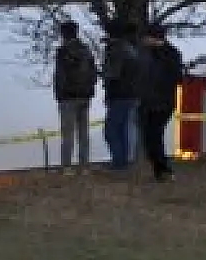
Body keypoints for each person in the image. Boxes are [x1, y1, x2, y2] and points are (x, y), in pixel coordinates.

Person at [137, 24, 185, 182]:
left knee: (153, 136)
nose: (143, 40)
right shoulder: (169, 53)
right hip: (156, 101)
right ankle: (160, 169)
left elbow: (172, 78)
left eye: (146, 37)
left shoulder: (163, 55)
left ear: (153, 37)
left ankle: (162, 169)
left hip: (160, 102)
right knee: (151, 136)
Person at [52, 20, 97, 174]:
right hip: (85, 96)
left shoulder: (62, 52)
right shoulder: (86, 50)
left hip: (67, 98)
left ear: (63, 34)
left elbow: (60, 76)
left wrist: (59, 95)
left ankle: (67, 167)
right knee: (84, 133)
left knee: (68, 133)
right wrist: (90, 91)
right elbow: (93, 73)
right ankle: (84, 166)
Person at [102, 19, 142, 171]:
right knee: (125, 128)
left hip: (119, 95)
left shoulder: (116, 50)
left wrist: (105, 79)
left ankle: (119, 161)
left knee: (111, 130)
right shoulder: (130, 49)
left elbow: (113, 74)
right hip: (131, 94)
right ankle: (124, 160)